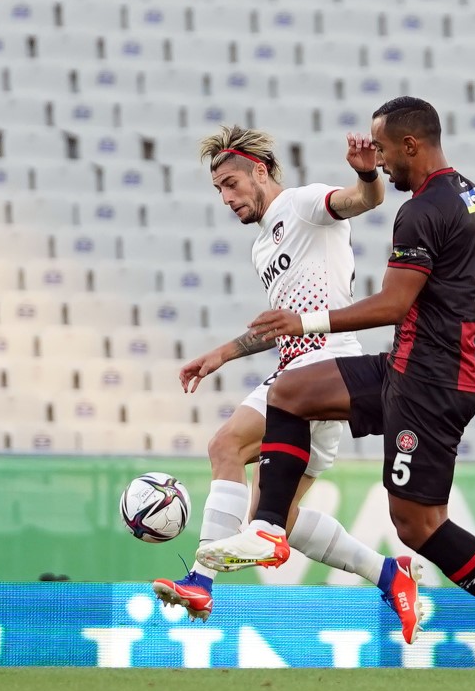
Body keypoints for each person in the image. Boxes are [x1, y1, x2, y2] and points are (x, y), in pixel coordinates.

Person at [197, 96, 475, 669]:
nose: (379, 161)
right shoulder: (472, 197)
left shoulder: (421, 212)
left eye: (383, 149)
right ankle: (267, 530)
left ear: (412, 145)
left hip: (433, 383)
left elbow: (393, 304)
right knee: (291, 390)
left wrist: (306, 320)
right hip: (405, 368)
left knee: (417, 525)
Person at [152, 124, 425, 645]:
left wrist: (367, 172)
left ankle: (200, 581)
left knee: (224, 445)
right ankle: (389, 574)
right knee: (276, 513)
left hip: (324, 372)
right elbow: (279, 324)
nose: (227, 198)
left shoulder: (302, 205)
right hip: (292, 377)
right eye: (218, 191)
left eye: (231, 184)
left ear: (260, 170)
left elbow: (364, 199)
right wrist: (223, 354)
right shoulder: (261, 249)